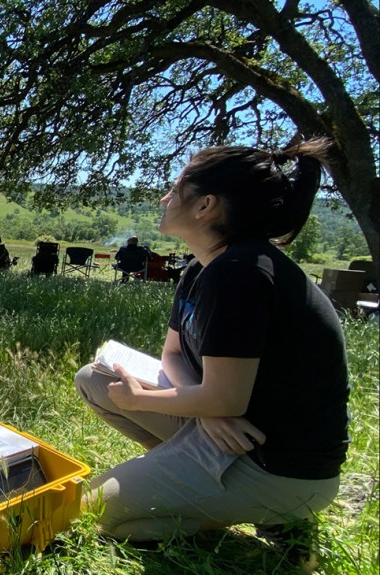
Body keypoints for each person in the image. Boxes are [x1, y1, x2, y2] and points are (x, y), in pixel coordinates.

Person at [74, 138, 349, 545]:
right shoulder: (204, 269)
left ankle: (266, 518)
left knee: (87, 513)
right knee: (94, 379)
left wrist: (142, 401)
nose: (165, 197)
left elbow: (226, 400)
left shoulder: (243, 273)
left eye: (177, 187)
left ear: (206, 206)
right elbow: (172, 353)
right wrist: (207, 410)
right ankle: (183, 474)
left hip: (277, 465)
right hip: (233, 427)